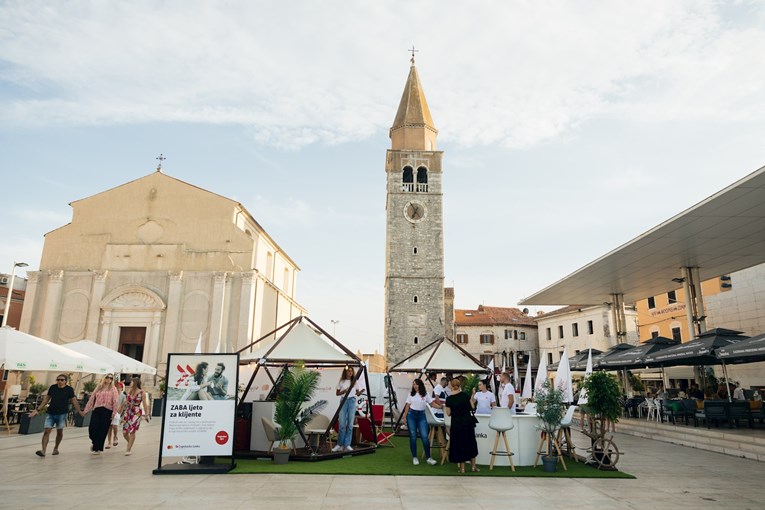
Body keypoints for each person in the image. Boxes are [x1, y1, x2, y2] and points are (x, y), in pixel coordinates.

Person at [30, 374, 83, 457]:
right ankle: (43, 450)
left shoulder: (69, 389)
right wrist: (37, 409)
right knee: (47, 431)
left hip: (62, 414)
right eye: (58, 380)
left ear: (65, 381)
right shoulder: (53, 387)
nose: (60, 381)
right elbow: (46, 399)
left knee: (59, 432)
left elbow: (74, 400)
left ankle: (56, 448)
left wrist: (79, 411)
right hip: (51, 413)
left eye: (62, 380)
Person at [445, 377, 479, 473]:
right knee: (471, 443)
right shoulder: (465, 395)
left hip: (456, 424)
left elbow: (448, 413)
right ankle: (473, 467)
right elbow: (472, 406)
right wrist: (472, 395)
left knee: (460, 445)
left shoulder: (449, 399)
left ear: (451, 386)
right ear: (459, 386)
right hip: (467, 422)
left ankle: (462, 468)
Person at [402, 379, 437, 465]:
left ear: (420, 385)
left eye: (416, 384)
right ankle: (415, 457)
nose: (415, 386)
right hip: (411, 416)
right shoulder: (411, 394)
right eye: (414, 384)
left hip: (421, 416)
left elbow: (432, 403)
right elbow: (407, 405)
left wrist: (440, 407)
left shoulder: (425, 394)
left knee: (425, 437)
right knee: (413, 436)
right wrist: (405, 416)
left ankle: (428, 458)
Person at [81, 375, 118, 455]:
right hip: (97, 409)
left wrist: (114, 413)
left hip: (107, 410)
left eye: (111, 378)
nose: (109, 379)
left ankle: (97, 448)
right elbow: (92, 399)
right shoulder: (99, 387)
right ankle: (95, 443)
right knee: (92, 428)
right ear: (104, 378)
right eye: (107, 377)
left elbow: (115, 401)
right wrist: (86, 410)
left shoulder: (113, 389)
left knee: (103, 430)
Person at [333, 367, 365, 452]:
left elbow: (357, 394)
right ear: (345, 372)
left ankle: (347, 444)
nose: (350, 372)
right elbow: (337, 393)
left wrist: (361, 392)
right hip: (343, 401)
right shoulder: (341, 381)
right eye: (348, 371)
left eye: (351, 371)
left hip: (352, 401)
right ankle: (339, 444)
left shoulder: (355, 382)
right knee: (342, 424)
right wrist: (344, 391)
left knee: (350, 425)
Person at [120, 376, 150, 456]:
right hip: (128, 412)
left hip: (136, 413)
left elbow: (145, 404)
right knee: (125, 432)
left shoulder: (142, 392)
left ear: (135, 383)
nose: (130, 383)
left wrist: (146, 414)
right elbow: (126, 401)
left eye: (131, 382)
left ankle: (128, 449)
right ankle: (130, 442)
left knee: (132, 431)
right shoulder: (130, 391)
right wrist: (120, 409)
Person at [106, 381, 126, 449]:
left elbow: (124, 403)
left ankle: (115, 436)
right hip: (111, 411)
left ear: (122, 388)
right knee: (109, 427)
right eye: (117, 387)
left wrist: (121, 410)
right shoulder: (112, 394)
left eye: (120, 387)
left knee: (115, 426)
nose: (118, 389)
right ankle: (109, 442)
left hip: (117, 412)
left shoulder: (123, 396)